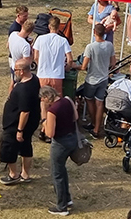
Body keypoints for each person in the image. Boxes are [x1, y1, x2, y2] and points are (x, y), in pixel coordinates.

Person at [0, 56, 41, 185]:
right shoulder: (34, 79)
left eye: (15, 70)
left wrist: (19, 130)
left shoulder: (24, 89)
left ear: (22, 71)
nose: (14, 72)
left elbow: (24, 112)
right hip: (32, 122)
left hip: (16, 124)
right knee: (25, 146)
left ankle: (13, 174)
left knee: (9, 147)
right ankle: (25, 174)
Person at [40, 85, 79, 216]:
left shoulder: (53, 111)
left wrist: (44, 120)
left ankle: (61, 206)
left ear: (46, 97)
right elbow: (76, 117)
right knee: (63, 171)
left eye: (42, 99)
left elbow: (50, 134)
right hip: (72, 139)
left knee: (57, 174)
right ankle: (67, 199)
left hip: (60, 143)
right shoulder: (68, 100)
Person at [79, 23, 114, 136]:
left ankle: (93, 122)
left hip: (91, 79)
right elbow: (113, 63)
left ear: (94, 32)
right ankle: (97, 128)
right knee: (100, 103)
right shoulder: (109, 45)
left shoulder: (90, 47)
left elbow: (84, 66)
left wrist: (76, 66)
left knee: (89, 100)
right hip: (103, 79)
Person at [34, 16, 73, 94]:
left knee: (44, 99)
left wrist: (41, 65)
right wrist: (67, 68)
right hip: (57, 75)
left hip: (43, 74)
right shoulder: (63, 41)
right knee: (57, 100)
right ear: (59, 27)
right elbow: (70, 59)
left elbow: (36, 57)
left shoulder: (40, 39)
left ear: (49, 26)